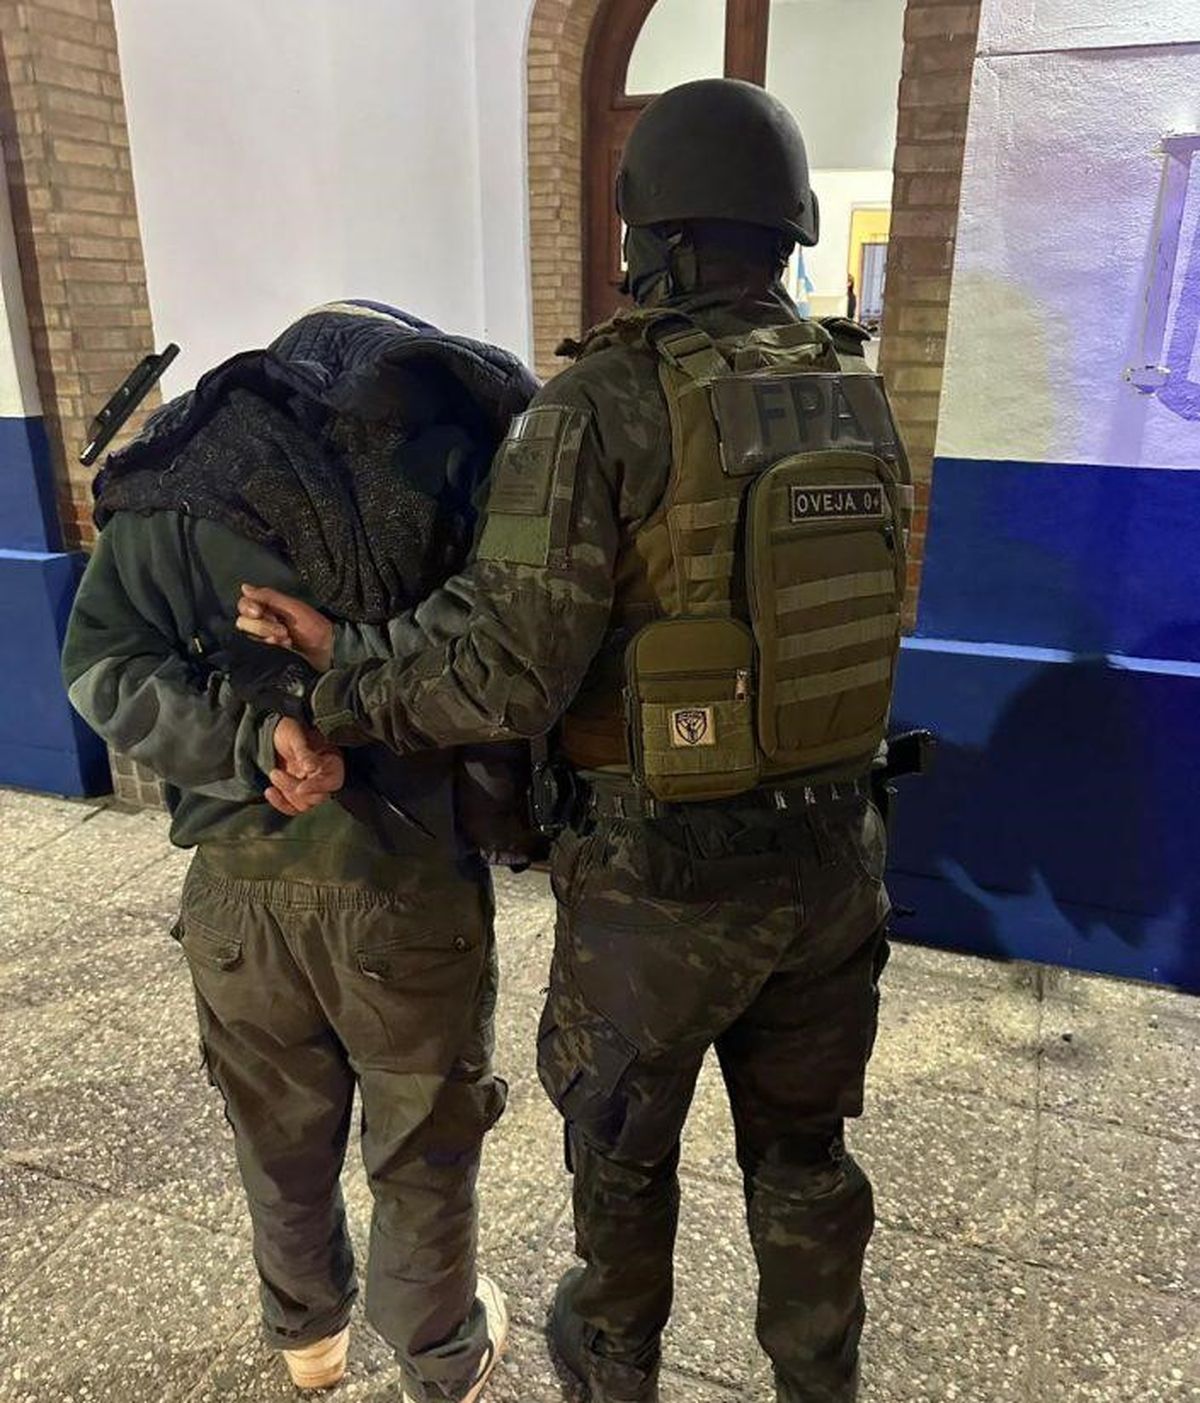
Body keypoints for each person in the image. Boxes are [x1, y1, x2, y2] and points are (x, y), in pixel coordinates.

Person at [234, 82, 912, 1403]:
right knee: (807, 1160)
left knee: (622, 1166)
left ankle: (614, 1375)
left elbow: (503, 665)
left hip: (663, 884)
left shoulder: (605, 400)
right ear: (785, 225)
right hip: (838, 860)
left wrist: (342, 670)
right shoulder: (853, 386)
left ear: (650, 231)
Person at [62, 302, 539, 1403]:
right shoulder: (454, 475)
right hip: (403, 882)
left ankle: (308, 1339)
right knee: (420, 1139)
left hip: (239, 884)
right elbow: (498, 659)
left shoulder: (181, 481)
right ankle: (440, 1353)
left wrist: (249, 740)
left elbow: (101, 664)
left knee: (278, 1133)